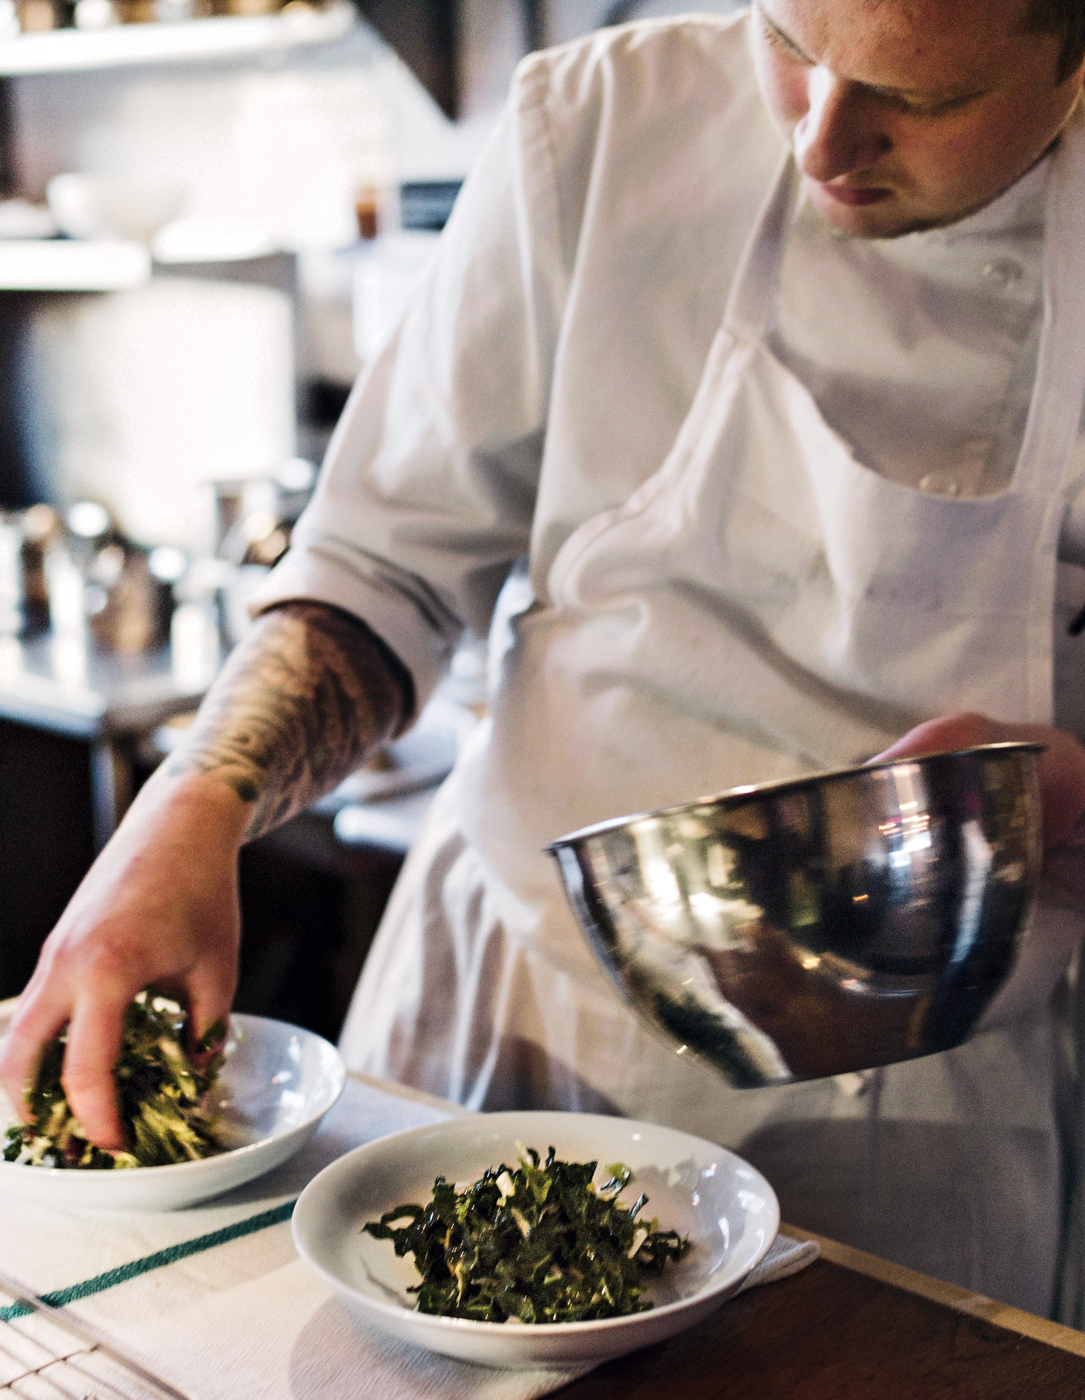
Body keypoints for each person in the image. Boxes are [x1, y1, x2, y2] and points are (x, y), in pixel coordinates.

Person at [6, 0, 1085, 1323]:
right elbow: (383, 570)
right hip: (531, 1018)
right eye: (792, 46)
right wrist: (193, 805)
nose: (818, 143)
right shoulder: (599, 127)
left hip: (947, 1089)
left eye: (916, 102)